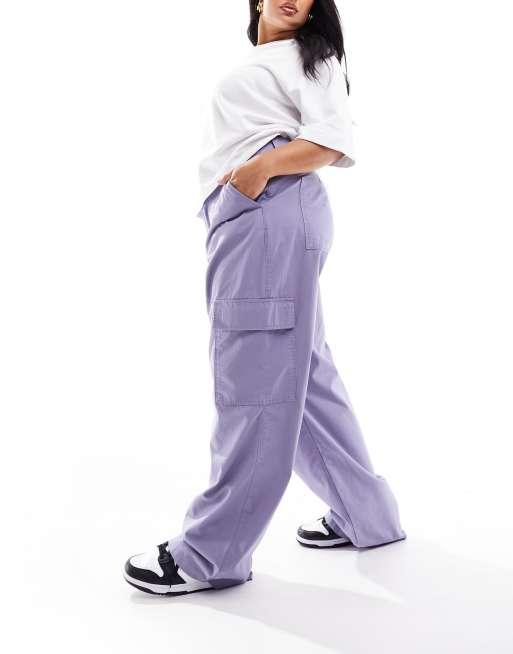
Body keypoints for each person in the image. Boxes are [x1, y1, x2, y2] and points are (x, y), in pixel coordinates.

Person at [123, 0, 406, 597]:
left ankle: (210, 553)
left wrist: (257, 171)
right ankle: (368, 515)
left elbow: (331, 140)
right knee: (303, 373)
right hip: (264, 217)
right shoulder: (270, 60)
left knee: (254, 379)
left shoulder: (312, 54)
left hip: (267, 213)